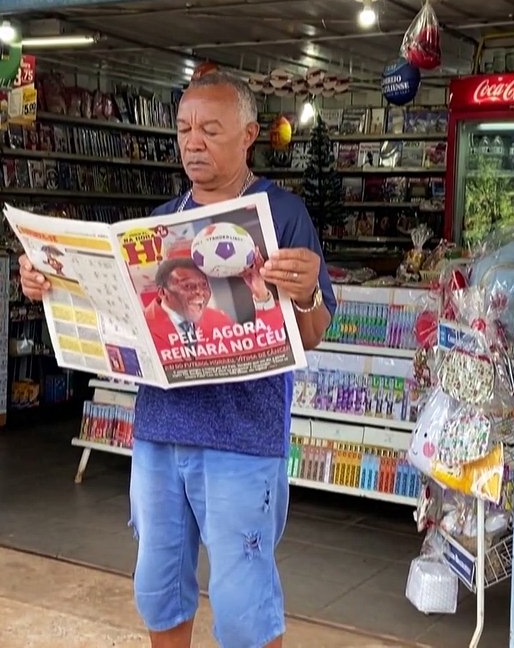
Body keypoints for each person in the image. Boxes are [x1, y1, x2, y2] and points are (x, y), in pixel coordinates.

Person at [20, 71, 336, 648]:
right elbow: (114, 310)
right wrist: (48, 282)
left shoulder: (282, 214)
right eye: (184, 128)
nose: (193, 142)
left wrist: (310, 290)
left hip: (243, 439)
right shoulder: (159, 224)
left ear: (248, 135)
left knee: (243, 601)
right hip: (160, 433)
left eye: (211, 130)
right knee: (158, 585)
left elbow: (312, 334)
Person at [143, 254, 286, 364]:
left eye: (204, 285)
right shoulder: (143, 326)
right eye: (188, 286)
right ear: (163, 293)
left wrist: (260, 292)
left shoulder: (218, 319)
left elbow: (267, 351)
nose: (200, 292)